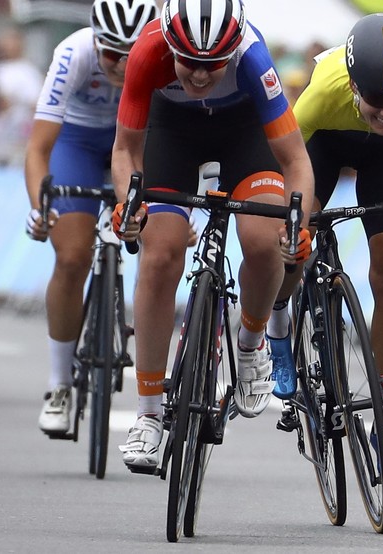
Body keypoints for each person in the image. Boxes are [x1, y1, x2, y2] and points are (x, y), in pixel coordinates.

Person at [110, 0, 315, 472]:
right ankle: (147, 415)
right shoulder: (146, 52)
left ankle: (250, 341)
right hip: (172, 131)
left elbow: (296, 161)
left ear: (232, 49)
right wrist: (128, 204)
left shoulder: (253, 57)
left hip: (244, 132)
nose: (200, 76)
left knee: (265, 243)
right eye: (189, 63)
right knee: (159, 257)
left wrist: (297, 226)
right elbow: (125, 150)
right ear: (171, 46)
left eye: (212, 65)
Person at [271, 13, 383, 482]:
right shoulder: (322, 94)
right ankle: (279, 321)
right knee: (296, 237)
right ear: (353, 86)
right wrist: (295, 223)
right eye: (376, 101)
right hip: (322, 147)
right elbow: (288, 169)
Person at [24, 0, 159, 435]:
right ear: (96, 42)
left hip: (138, 138)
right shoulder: (74, 52)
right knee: (71, 258)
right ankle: (59, 386)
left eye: (131, 54)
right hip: (79, 142)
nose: (121, 65)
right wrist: (39, 207)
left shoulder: (162, 53)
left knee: (161, 244)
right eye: (111, 54)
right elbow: (39, 149)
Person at [0, 26, 44, 166]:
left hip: (21, 136)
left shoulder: (30, 72)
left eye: (11, 41)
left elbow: (37, 104)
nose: (8, 45)